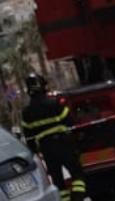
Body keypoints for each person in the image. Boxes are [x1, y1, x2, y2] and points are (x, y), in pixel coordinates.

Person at [20, 73, 89, 201]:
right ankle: (77, 198)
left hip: (46, 150)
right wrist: (79, 138)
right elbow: (71, 123)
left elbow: (29, 138)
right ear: (42, 86)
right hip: (63, 144)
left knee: (58, 181)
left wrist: (36, 154)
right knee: (78, 174)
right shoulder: (56, 103)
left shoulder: (26, 113)